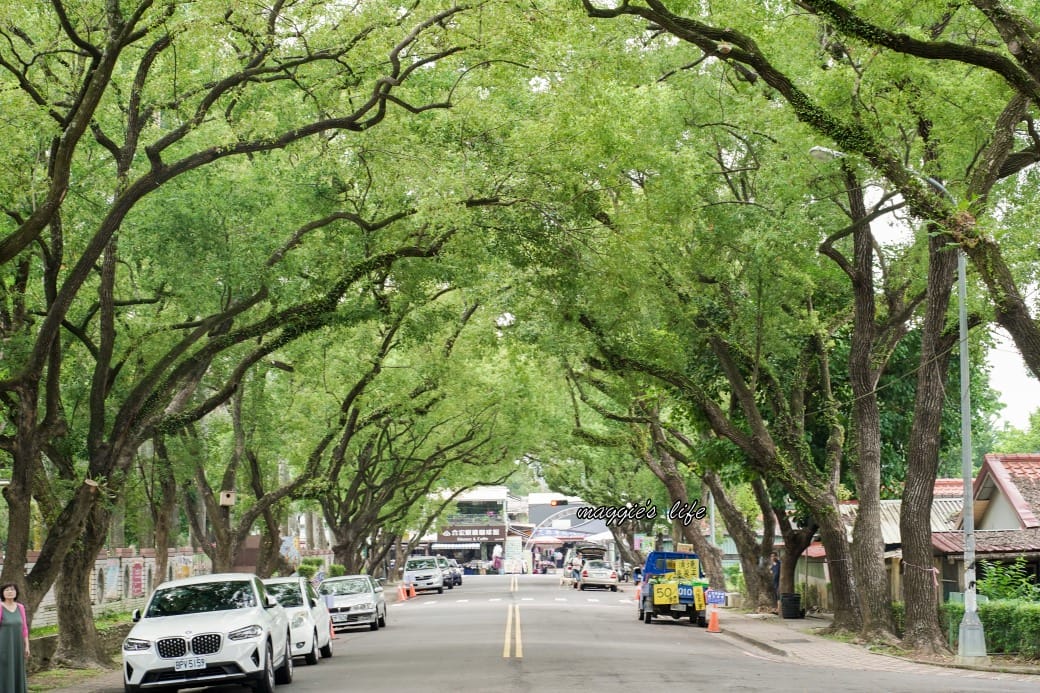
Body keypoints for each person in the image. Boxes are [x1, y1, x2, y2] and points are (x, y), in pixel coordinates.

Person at [0, 582, 30, 693]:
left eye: (12, 589)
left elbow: (24, 628)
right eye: (6, 590)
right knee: (4, 671)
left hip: (17, 647)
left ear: (16, 592)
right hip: (3, 647)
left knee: (17, 670)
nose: (9, 592)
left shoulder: (20, 607)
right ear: (2, 593)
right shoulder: (0, 607)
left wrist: (27, 646)